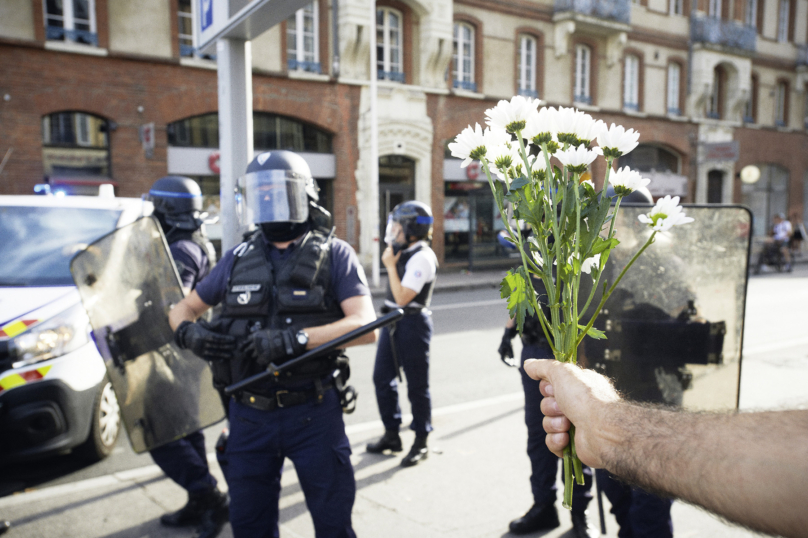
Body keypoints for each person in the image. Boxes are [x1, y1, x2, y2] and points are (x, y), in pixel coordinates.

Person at [168, 150, 377, 538]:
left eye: (278, 192)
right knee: (249, 527)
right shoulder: (236, 258)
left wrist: (295, 339)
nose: (269, 201)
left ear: (305, 196)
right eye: (260, 193)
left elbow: (365, 326)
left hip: (314, 412)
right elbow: (182, 309)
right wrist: (189, 333)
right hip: (249, 416)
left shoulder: (335, 254)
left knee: (333, 525)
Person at [523, 358, 808, 538]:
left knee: (648, 517)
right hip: (621, 416)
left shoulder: (668, 274)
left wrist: (608, 428)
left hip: (655, 396)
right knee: (622, 508)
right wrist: (602, 426)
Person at [146, 176, 229, 538]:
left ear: (166, 209)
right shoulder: (191, 242)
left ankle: (208, 495)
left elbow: (171, 304)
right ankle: (200, 498)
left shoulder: (181, 250)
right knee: (186, 428)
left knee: (160, 433)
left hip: (175, 353)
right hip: (186, 352)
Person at [499, 312, 596, 537]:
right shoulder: (523, 273)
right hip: (534, 347)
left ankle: (579, 511)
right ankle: (543, 506)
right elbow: (519, 296)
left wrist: (585, 353)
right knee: (539, 431)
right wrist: (508, 331)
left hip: (570, 346)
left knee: (575, 432)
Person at [366, 201, 438, 467]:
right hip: (392, 321)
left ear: (410, 229)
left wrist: (389, 265)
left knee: (417, 386)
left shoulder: (422, 256)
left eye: (397, 226)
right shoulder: (403, 251)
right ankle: (392, 433)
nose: (393, 232)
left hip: (412, 323)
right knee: (382, 378)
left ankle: (421, 440)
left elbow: (403, 297)